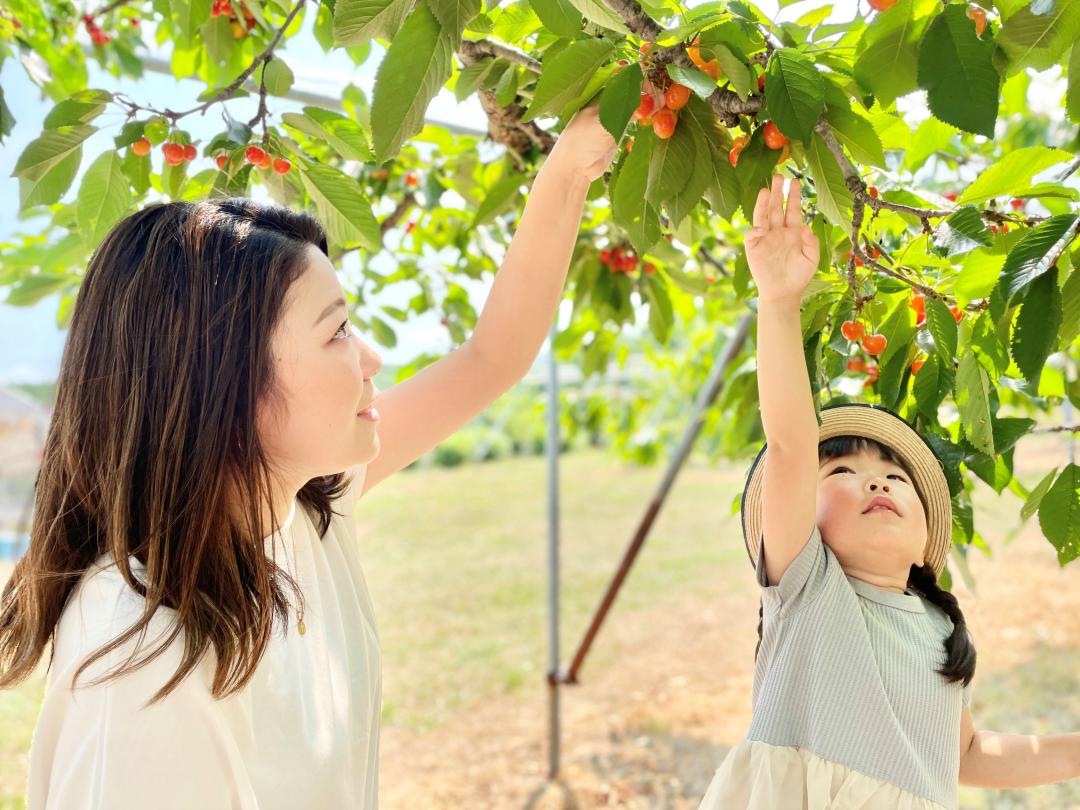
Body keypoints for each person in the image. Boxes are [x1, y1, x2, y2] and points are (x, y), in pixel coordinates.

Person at [0, 106, 617, 809]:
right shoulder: (139, 662)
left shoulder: (302, 510)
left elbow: (491, 357)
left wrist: (569, 169)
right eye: (339, 332)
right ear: (226, 387)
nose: (373, 358)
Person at [697, 174, 1080, 809]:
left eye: (896, 475)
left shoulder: (935, 624)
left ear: (929, 534)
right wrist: (779, 301)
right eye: (841, 473)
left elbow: (964, 755)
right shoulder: (807, 588)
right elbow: (792, 444)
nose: (875, 478)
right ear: (801, 518)